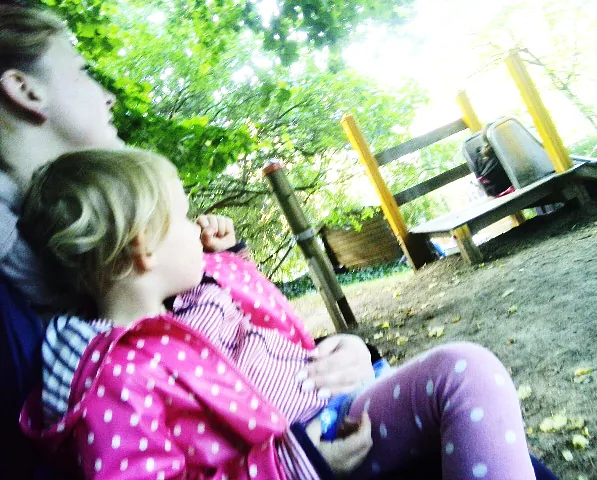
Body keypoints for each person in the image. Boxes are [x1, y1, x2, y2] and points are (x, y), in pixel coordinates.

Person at [18, 147, 536, 479]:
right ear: (143, 248)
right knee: (464, 371)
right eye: (182, 217)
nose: (197, 226)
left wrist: (231, 256)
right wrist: (291, 466)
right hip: (321, 441)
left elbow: (260, 318)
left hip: (338, 407)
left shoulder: (190, 304)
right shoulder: (114, 378)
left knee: (465, 378)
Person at [0, 4, 375, 408]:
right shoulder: (34, 317)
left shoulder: (86, 252)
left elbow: (230, 351)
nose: (108, 98)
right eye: (81, 72)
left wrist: (341, 355)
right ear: (25, 89)